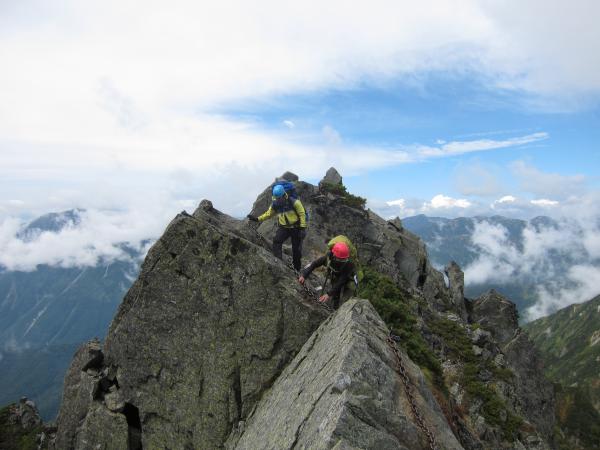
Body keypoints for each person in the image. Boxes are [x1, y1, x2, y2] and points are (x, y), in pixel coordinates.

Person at [247, 184, 307, 271]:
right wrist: (257, 219)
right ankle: (278, 262)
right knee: (277, 241)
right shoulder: (275, 204)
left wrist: (302, 228)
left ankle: (297, 269)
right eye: (276, 198)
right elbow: (268, 214)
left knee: (296, 250)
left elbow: (302, 215)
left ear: (283, 195)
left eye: (279, 198)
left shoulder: (294, 202)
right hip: (284, 227)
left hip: (296, 228)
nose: (278, 200)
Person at [298, 238, 358, 309]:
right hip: (336, 272)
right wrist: (304, 275)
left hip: (348, 276)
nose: (342, 261)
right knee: (335, 287)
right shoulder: (328, 258)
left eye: (343, 259)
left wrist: (328, 294)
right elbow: (315, 264)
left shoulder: (348, 264)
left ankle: (338, 307)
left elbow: (341, 281)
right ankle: (335, 306)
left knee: (345, 290)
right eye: (340, 259)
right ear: (334, 255)